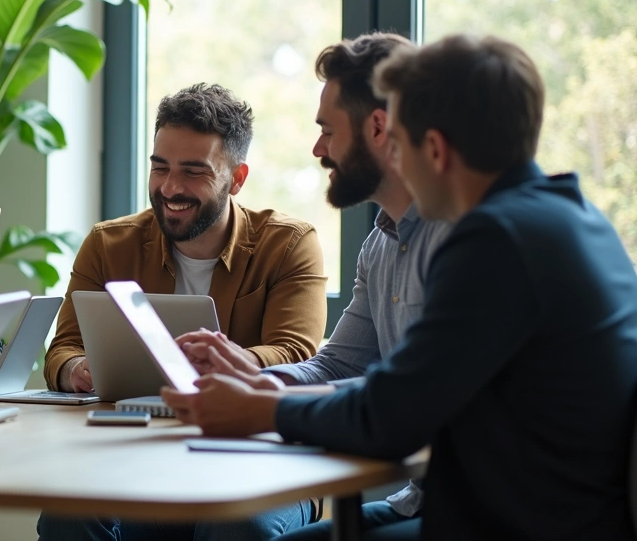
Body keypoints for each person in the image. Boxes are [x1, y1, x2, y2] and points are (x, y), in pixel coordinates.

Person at [164, 34, 637, 540]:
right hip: (499, 508)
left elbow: (392, 417)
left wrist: (263, 409)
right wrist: (269, 389)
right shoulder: (565, 216)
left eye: (401, 142)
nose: (398, 161)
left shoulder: (496, 240)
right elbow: (403, 388)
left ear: (433, 149)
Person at [176, 32, 449, 536]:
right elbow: (340, 366)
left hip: (477, 509)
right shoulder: (379, 245)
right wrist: (256, 377)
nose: (318, 149)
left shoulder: (460, 240)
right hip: (417, 499)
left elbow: (411, 400)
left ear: (377, 127)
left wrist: (265, 404)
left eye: (327, 130)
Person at [37, 83, 327, 540]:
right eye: (160, 168)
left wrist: (232, 361)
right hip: (136, 452)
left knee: (236, 525)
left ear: (237, 178)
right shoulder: (108, 244)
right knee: (68, 514)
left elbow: (297, 354)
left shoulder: (289, 244)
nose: (170, 188)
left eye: (193, 172)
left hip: (261, 458)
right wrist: (76, 369)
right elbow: (64, 348)